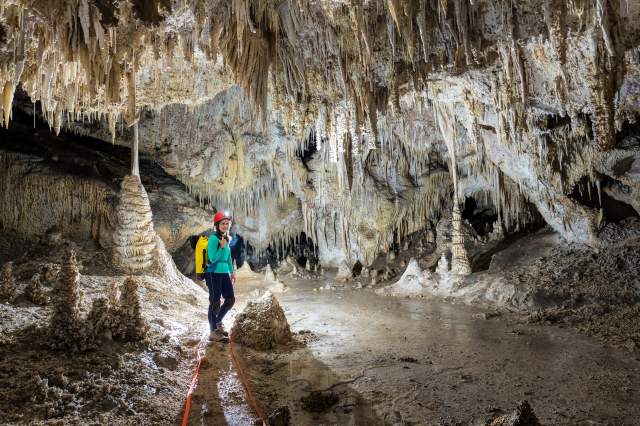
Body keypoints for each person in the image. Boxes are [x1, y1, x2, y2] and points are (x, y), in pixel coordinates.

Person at [206, 211, 236, 340]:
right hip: (213, 272)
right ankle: (213, 331)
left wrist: (232, 271)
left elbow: (228, 257)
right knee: (215, 301)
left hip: (224, 272)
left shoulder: (225, 239)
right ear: (217, 225)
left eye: (227, 223)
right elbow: (212, 258)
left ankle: (217, 322)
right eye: (223, 223)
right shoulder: (213, 239)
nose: (225, 225)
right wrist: (222, 247)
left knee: (230, 299)